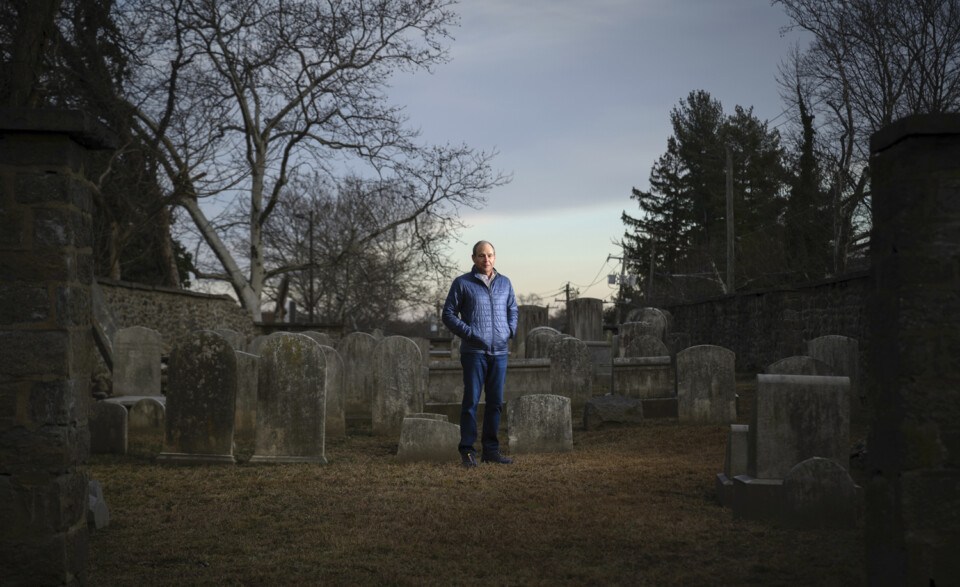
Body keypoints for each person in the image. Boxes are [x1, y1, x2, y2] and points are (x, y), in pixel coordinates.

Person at [442, 240, 519, 467]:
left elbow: (513, 309)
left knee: (495, 402)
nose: (486, 260)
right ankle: (467, 451)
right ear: (473, 258)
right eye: (481, 255)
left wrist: (509, 330)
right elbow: (448, 314)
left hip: (500, 352)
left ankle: (491, 451)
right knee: (471, 402)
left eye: (490, 255)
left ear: (495, 257)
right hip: (474, 352)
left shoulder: (505, 283)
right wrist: (470, 333)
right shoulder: (462, 283)